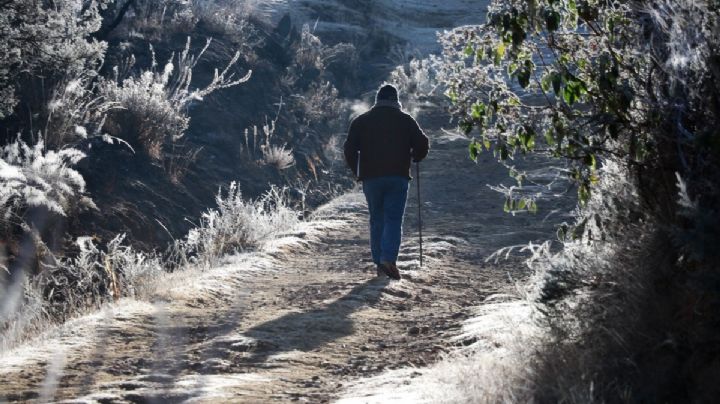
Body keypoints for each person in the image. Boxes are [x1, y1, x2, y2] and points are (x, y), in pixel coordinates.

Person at [343, 84, 429, 280]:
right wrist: (416, 156)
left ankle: (380, 264)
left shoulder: (362, 121)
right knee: (393, 218)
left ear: (377, 101)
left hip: (371, 178)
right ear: (396, 101)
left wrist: (357, 170)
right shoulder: (406, 120)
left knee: (376, 218)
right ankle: (387, 259)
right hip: (398, 176)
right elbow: (422, 143)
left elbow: (348, 149)